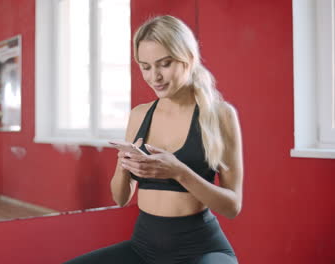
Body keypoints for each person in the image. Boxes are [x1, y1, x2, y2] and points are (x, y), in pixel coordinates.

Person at [65, 15, 243, 264]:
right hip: (143, 249)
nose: (154, 77)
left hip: (201, 249)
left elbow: (232, 206)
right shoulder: (139, 116)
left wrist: (179, 172)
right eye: (145, 67)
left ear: (188, 59)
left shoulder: (220, 115)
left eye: (164, 64)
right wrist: (124, 164)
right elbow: (121, 198)